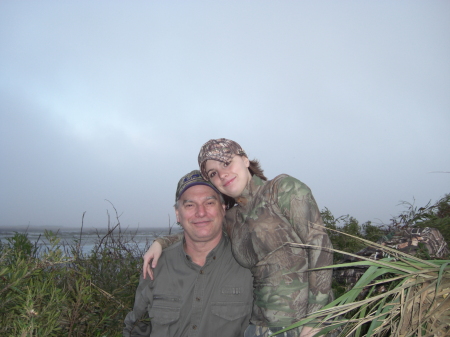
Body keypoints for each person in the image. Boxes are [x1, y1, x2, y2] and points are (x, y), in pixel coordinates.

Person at [143, 139, 334, 337]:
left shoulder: (282, 189)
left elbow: (321, 247)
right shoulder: (233, 218)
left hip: (304, 325)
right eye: (213, 173)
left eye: (226, 163)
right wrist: (161, 243)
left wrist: (316, 318)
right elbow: (200, 230)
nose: (222, 175)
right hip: (259, 327)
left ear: (245, 160)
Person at [123, 170, 253, 337]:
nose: (200, 212)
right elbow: (136, 329)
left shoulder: (250, 265)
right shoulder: (156, 266)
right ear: (178, 214)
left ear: (223, 209)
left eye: (209, 203)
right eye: (190, 205)